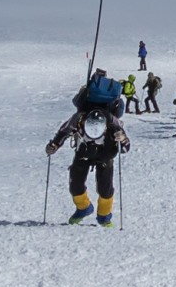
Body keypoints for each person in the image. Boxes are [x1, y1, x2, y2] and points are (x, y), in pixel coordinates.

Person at [45, 77, 130, 228]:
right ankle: (84, 208)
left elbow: (125, 147)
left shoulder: (110, 121)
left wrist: (122, 139)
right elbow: (64, 132)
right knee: (75, 185)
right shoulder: (79, 118)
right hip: (85, 154)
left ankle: (104, 217)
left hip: (103, 155)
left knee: (105, 188)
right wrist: (54, 145)